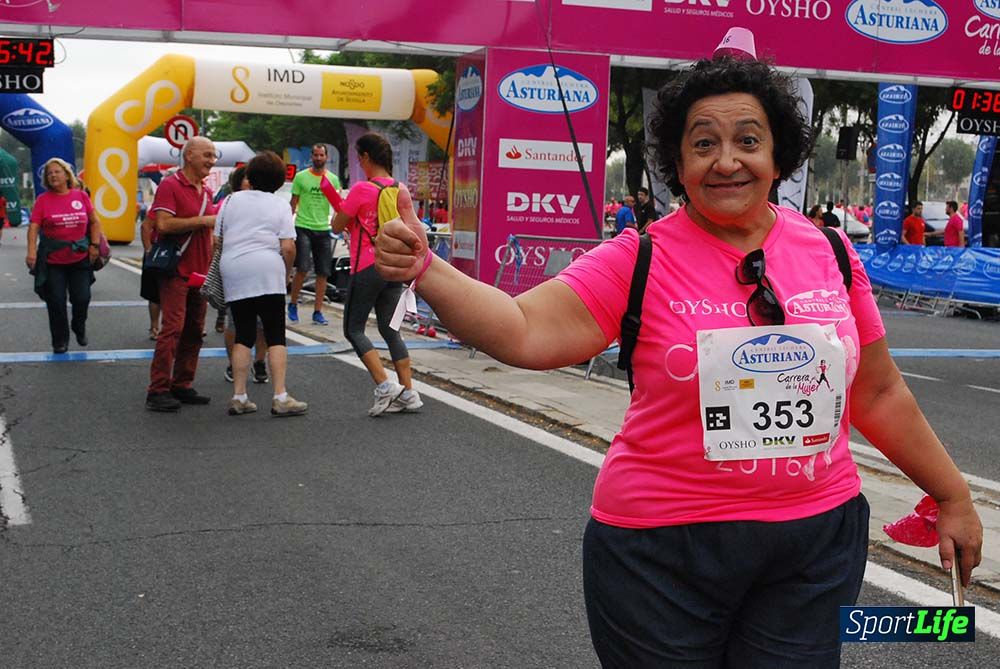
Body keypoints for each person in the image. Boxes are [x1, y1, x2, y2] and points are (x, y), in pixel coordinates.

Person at [374, 42, 983, 667]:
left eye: (748, 140)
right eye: (703, 143)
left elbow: (878, 392)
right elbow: (524, 329)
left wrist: (952, 496)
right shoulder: (639, 258)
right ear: (677, 160)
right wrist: (429, 268)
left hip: (814, 546)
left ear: (779, 157)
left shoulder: (831, 252)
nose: (727, 162)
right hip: (661, 554)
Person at [333, 132, 421, 416]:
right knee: (390, 328)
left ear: (368, 157)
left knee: (353, 329)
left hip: (366, 266)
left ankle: (385, 386)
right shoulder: (400, 189)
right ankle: (408, 391)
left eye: (359, 157)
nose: (359, 162)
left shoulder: (361, 189)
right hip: (394, 267)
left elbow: (337, 225)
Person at [216, 151, 306, 417]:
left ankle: (239, 396)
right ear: (279, 180)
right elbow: (288, 248)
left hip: (234, 269)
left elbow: (216, 240)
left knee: (243, 333)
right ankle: (280, 396)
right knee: (275, 333)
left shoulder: (230, 201)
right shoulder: (279, 205)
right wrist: (286, 274)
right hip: (267, 271)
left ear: (250, 176)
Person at [145, 136, 218, 412]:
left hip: (201, 271)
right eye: (207, 155)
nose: (212, 161)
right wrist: (204, 221)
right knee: (172, 329)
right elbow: (161, 224)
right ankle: (158, 389)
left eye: (213, 155)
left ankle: (182, 383)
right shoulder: (170, 185)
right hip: (176, 269)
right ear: (189, 156)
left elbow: (209, 232)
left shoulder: (207, 190)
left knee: (195, 330)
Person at [25, 158, 104, 354]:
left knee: (82, 298)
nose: (53, 175)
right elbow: (34, 227)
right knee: (56, 302)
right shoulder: (43, 200)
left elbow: (94, 222)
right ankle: (60, 340)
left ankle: (79, 325)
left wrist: (94, 245)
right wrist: (31, 251)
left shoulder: (81, 196)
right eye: (49, 173)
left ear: (67, 175)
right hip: (53, 261)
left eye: (56, 172)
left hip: (80, 258)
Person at [219, 165, 269, 383]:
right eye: (248, 179)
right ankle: (234, 363)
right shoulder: (229, 204)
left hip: (265, 269)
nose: (251, 183)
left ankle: (259, 362)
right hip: (237, 269)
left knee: (264, 323)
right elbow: (217, 238)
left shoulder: (270, 203)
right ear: (239, 183)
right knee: (235, 321)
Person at [288, 144, 341, 326]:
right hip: (302, 225)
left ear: (326, 157)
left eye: (321, 155)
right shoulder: (301, 177)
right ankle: (293, 303)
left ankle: (317, 311)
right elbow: (293, 203)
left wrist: (337, 224)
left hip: (323, 228)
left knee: (323, 272)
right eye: (316, 155)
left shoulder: (332, 179)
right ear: (311, 157)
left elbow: (338, 206)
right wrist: (287, 227)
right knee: (302, 268)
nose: (318, 158)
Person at [139, 214, 162, 340]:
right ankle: (154, 326)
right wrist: (149, 250)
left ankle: (158, 328)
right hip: (159, 251)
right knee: (154, 292)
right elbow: (145, 227)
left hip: (175, 251)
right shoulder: (159, 207)